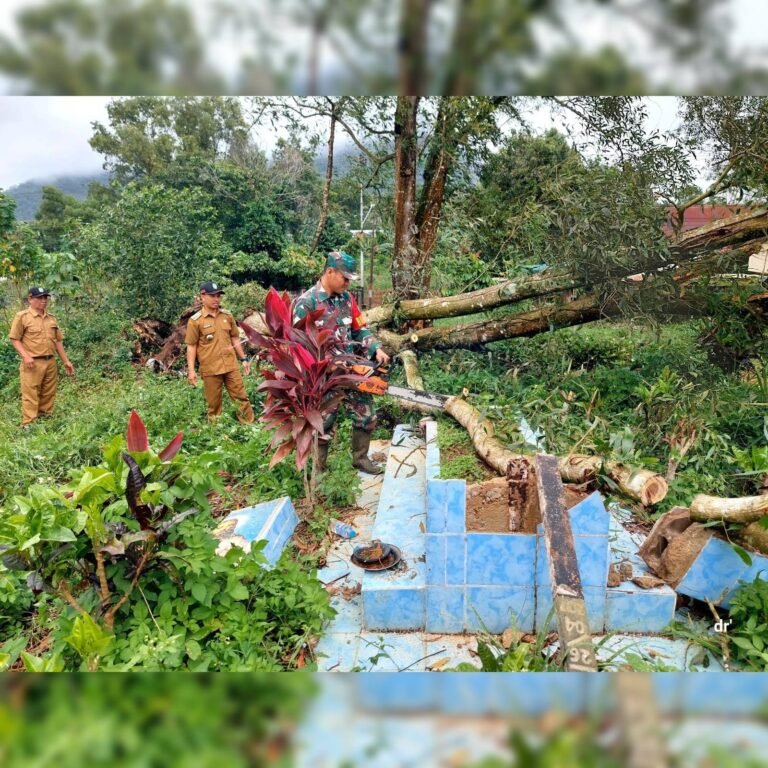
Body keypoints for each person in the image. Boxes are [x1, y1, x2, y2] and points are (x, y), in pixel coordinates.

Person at [293, 250, 390, 474]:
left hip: (351, 374)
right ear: (330, 271)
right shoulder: (306, 303)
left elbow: (359, 328)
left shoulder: (347, 299)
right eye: (344, 278)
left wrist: (375, 348)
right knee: (323, 425)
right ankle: (317, 469)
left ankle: (361, 459)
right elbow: (301, 348)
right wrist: (342, 365)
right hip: (323, 378)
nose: (347, 283)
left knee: (366, 416)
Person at [185, 281, 255, 424]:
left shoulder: (227, 316)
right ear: (202, 296)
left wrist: (243, 359)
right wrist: (191, 371)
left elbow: (235, 338)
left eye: (218, 296)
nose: (216, 299)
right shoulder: (195, 321)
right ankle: (216, 433)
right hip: (211, 369)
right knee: (214, 405)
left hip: (230, 366)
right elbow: (191, 346)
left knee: (241, 398)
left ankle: (249, 428)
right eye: (212, 296)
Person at [8, 286, 75, 426]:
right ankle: (29, 425)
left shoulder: (51, 319)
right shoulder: (22, 317)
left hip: (50, 361)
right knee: (31, 394)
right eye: (39, 298)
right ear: (30, 299)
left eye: (45, 298)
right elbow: (15, 339)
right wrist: (26, 356)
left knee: (48, 392)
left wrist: (66, 361)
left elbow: (58, 341)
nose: (43, 301)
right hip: (32, 363)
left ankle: (45, 420)